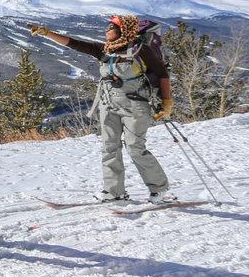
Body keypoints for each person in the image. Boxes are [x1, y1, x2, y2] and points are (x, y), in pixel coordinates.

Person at [29, 14, 174, 203]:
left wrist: (167, 103)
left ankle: (159, 189)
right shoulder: (105, 50)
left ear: (124, 30)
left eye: (111, 27)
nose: (107, 30)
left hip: (136, 105)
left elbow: (162, 74)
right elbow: (73, 43)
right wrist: (47, 33)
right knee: (109, 147)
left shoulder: (141, 50)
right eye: (107, 27)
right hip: (108, 105)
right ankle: (114, 191)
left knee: (135, 147)